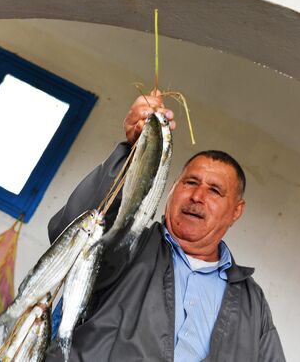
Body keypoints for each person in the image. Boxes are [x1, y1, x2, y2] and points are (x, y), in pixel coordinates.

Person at [45, 92, 285, 361]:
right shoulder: (129, 245)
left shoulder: (252, 303)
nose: (197, 197)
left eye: (215, 191)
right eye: (190, 183)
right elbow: (70, 235)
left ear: (236, 211)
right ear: (172, 189)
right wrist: (134, 152)